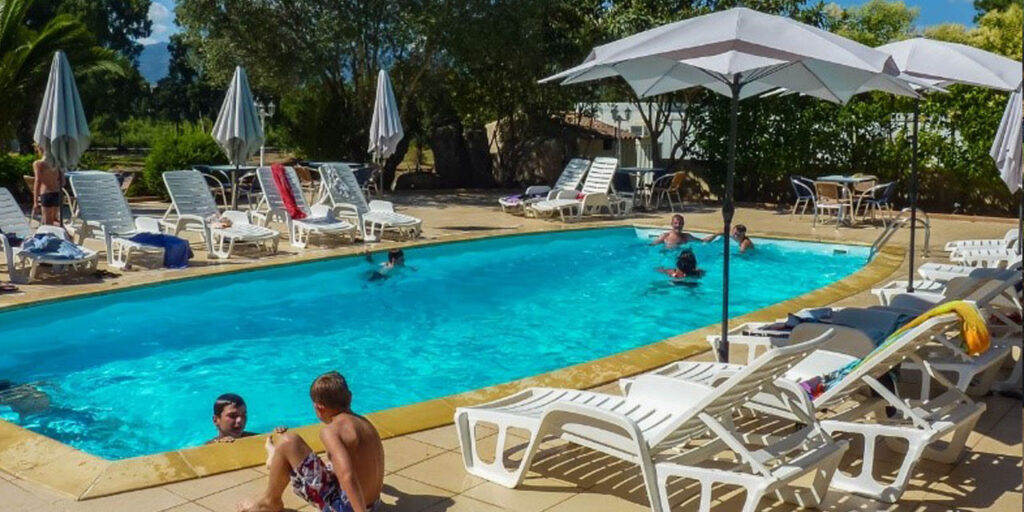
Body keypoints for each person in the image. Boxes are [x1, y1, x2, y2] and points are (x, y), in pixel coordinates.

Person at [238, 371, 385, 512]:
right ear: (350, 397)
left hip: (349, 508)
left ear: (318, 408)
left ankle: (269, 502)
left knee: (289, 441)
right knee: (329, 463)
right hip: (373, 504)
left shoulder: (331, 432)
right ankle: (275, 459)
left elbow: (347, 476)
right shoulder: (365, 422)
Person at [32, 144, 63, 226]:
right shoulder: (57, 163)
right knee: (55, 221)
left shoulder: (38, 164)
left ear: (40, 149)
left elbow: (38, 181)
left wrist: (35, 202)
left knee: (48, 225)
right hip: (57, 194)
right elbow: (63, 181)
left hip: (47, 194)